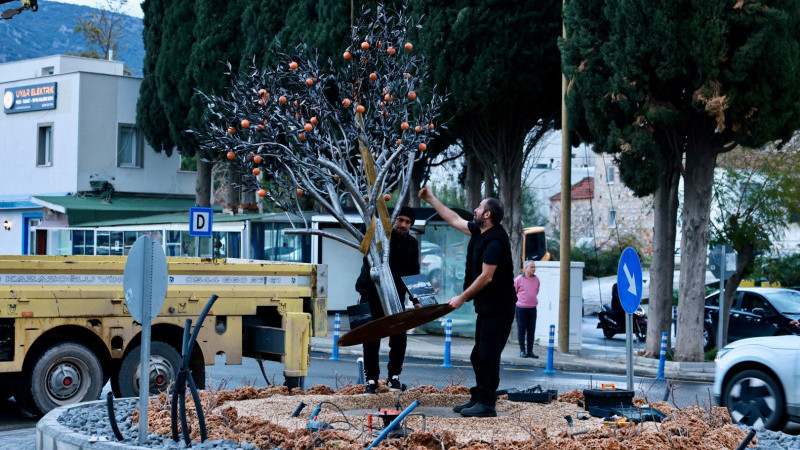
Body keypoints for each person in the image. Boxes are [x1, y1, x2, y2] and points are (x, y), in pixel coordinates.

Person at [418, 186, 516, 418]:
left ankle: (487, 404)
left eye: (479, 207)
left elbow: (487, 276)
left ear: (487, 215)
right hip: (487, 308)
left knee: (488, 355)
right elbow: (453, 219)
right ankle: (479, 397)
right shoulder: (478, 231)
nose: (475, 209)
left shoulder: (495, 241)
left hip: (500, 308)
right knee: (478, 355)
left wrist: (461, 298)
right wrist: (431, 198)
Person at [355, 206, 420, 394]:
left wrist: (416, 298)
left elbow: (413, 272)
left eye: (408, 222)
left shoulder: (411, 244)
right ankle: (371, 380)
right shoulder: (377, 237)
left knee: (399, 337)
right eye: (400, 220)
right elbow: (363, 233)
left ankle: (394, 377)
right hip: (370, 294)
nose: (403, 225)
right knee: (370, 337)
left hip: (395, 295)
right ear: (392, 220)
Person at [515, 261, 540, 359]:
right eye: (532, 267)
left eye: (534, 267)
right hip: (521, 309)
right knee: (522, 330)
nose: (534, 269)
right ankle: (522, 351)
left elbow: (536, 291)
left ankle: (530, 351)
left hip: (532, 308)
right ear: (526, 268)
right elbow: (514, 291)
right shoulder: (518, 279)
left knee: (531, 330)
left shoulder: (537, 280)